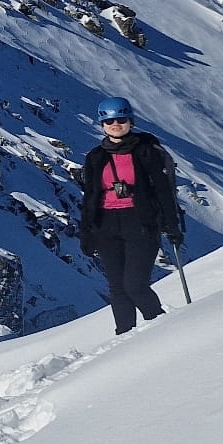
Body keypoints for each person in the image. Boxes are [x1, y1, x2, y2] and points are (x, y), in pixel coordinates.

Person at [78, 96, 181, 334]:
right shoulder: (95, 156)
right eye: (109, 121)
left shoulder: (146, 151)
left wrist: (172, 224)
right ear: (102, 124)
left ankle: (163, 329)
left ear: (131, 121)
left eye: (121, 119)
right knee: (117, 288)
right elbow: (90, 196)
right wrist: (87, 232)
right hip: (105, 225)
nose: (115, 124)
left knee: (135, 285)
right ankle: (124, 339)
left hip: (141, 223)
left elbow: (163, 191)